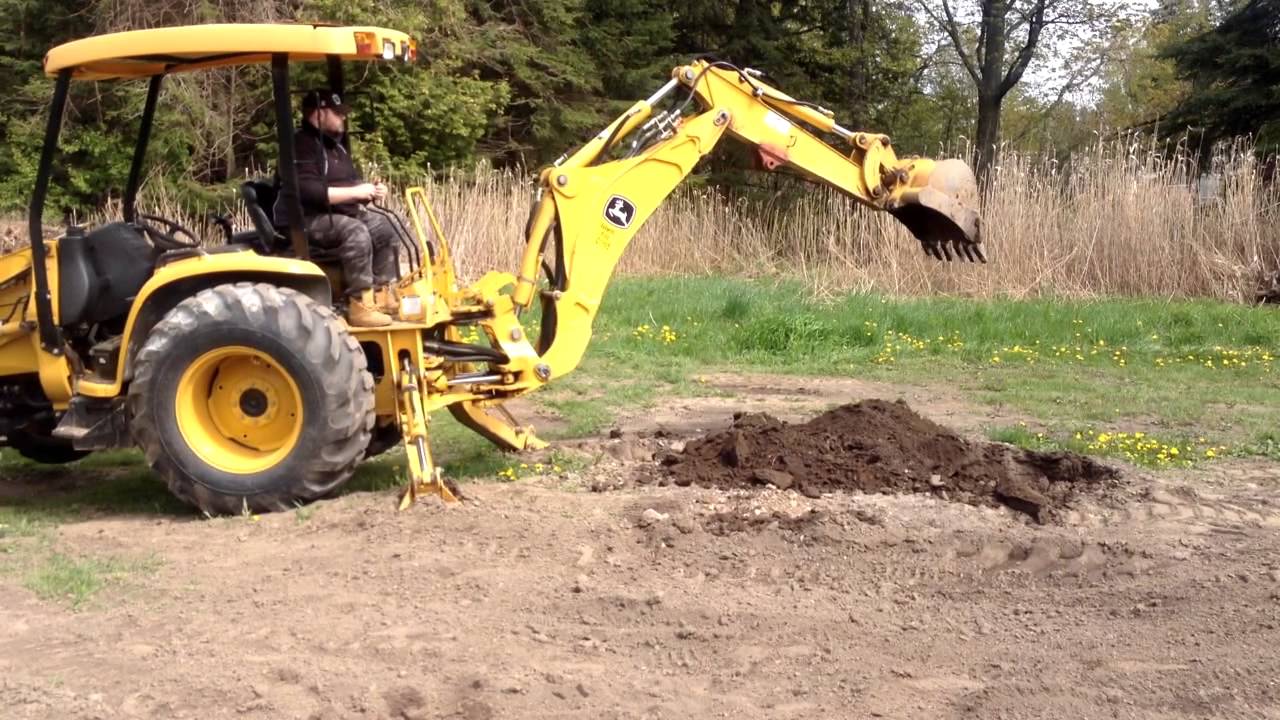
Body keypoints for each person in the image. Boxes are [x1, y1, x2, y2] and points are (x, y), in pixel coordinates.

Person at [284, 88, 399, 327]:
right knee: (355, 232)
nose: (343, 117)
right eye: (337, 113)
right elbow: (309, 192)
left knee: (387, 227)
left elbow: (349, 185)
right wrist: (356, 192)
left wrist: (370, 191)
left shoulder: (335, 147)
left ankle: (380, 293)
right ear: (318, 114)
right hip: (309, 219)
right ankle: (359, 304)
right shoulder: (301, 146)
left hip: (339, 213)